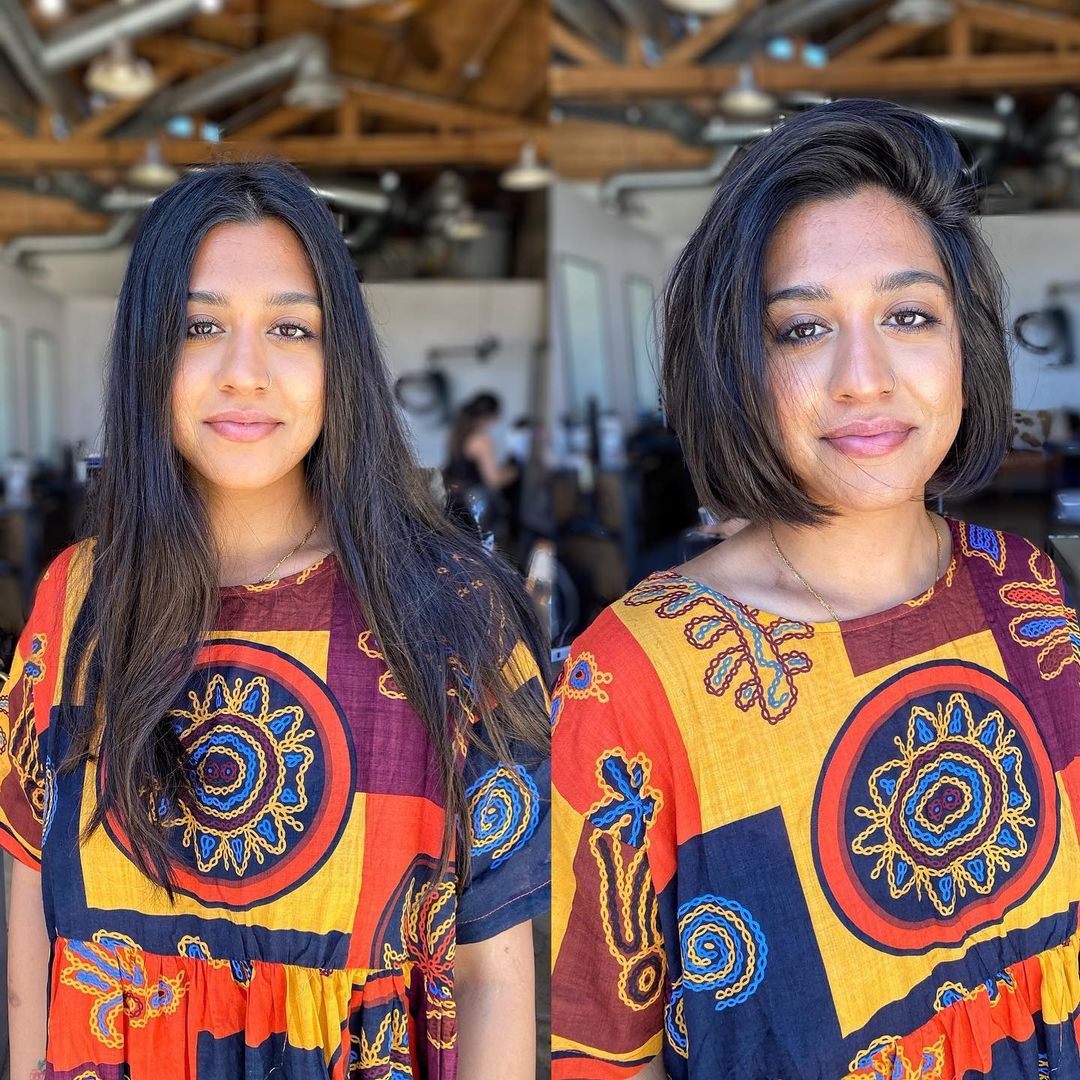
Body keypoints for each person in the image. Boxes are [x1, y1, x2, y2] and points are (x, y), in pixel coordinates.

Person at [550, 100, 1080, 1079]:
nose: (864, 377)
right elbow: (602, 1054)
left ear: (964, 343)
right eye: (802, 330)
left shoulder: (1028, 590)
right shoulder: (630, 682)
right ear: (736, 366)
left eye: (908, 315)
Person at [1, 162, 549, 1080]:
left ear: (342, 363)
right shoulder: (77, 604)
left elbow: (492, 975)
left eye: (290, 328)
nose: (243, 372)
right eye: (200, 326)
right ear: (146, 354)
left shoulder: (455, 616)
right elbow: (29, 919)